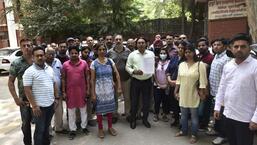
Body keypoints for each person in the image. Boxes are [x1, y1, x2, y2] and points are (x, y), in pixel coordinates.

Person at [214, 33, 257, 145]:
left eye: (243, 46)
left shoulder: (255, 66)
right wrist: (217, 107)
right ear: (231, 48)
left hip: (246, 119)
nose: (239, 49)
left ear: (249, 48)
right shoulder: (228, 66)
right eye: (236, 46)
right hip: (228, 115)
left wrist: (255, 118)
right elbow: (222, 87)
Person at [23, 46, 58, 145]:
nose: (40, 57)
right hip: (39, 108)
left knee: (46, 128)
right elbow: (27, 89)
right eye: (37, 56)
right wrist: (34, 106)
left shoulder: (49, 69)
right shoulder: (29, 71)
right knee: (40, 130)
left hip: (50, 105)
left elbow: (54, 83)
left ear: (45, 56)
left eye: (41, 55)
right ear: (33, 57)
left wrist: (56, 98)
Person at [174, 43, 208, 144]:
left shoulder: (199, 65)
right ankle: (183, 131)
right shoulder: (181, 65)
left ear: (194, 52)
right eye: (186, 52)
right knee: (183, 115)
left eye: (190, 52)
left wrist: (202, 94)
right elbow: (178, 80)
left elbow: (203, 81)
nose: (188, 54)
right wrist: (176, 91)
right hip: (183, 93)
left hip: (194, 94)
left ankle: (194, 134)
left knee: (194, 116)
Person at [90, 43, 122, 138]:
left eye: (104, 49)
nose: (102, 51)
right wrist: (93, 93)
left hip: (109, 90)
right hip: (99, 90)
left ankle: (110, 127)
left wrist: (119, 87)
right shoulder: (94, 63)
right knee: (99, 111)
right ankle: (100, 129)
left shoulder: (110, 61)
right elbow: (92, 79)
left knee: (110, 110)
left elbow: (116, 74)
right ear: (97, 51)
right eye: (100, 49)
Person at [126, 37, 155, 129]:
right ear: (136, 44)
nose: (141, 44)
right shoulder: (132, 54)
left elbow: (153, 65)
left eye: (143, 42)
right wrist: (134, 71)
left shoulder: (151, 54)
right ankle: (133, 119)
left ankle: (145, 119)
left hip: (147, 81)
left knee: (146, 102)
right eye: (139, 43)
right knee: (134, 101)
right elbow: (127, 67)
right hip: (136, 81)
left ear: (146, 44)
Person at [8, 38, 33, 145]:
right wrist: (16, 99)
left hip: (39, 97)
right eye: (24, 46)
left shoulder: (38, 60)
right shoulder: (16, 63)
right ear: (21, 48)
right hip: (24, 100)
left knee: (42, 123)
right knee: (26, 124)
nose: (26, 47)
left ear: (32, 46)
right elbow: (10, 82)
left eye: (28, 45)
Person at [62, 46, 90, 140]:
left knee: (83, 110)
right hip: (70, 92)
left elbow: (87, 77)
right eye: (72, 53)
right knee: (71, 112)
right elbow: (63, 79)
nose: (74, 55)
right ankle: (72, 130)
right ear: (69, 54)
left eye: (76, 53)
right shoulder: (65, 64)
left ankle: (84, 127)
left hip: (82, 91)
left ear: (79, 54)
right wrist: (63, 92)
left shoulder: (84, 63)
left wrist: (88, 89)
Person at [108, 34, 131, 123]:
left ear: (122, 40)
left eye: (119, 39)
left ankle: (128, 113)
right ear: (114, 41)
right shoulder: (110, 52)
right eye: (116, 39)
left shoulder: (128, 51)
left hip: (126, 78)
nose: (118, 41)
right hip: (114, 79)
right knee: (114, 98)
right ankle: (114, 114)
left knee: (127, 98)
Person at [45, 47, 68, 134]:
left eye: (53, 54)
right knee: (48, 114)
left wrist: (63, 90)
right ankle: (48, 132)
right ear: (45, 54)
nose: (51, 56)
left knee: (59, 112)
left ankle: (58, 128)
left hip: (58, 92)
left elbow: (62, 75)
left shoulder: (57, 61)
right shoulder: (42, 63)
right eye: (49, 54)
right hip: (47, 94)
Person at [166, 40, 187, 127]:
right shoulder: (174, 58)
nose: (180, 49)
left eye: (182, 48)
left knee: (181, 104)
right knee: (174, 104)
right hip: (172, 85)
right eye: (179, 48)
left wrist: (176, 82)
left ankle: (183, 122)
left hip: (181, 86)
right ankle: (176, 120)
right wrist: (169, 80)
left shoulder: (187, 60)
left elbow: (186, 75)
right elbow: (168, 70)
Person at [197, 38, 214, 130]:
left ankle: (204, 124)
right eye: (199, 46)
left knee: (205, 107)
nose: (201, 47)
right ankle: (200, 122)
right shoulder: (199, 56)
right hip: (198, 84)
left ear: (207, 46)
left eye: (203, 45)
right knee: (200, 106)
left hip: (206, 85)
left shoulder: (210, 57)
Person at [153, 48, 170, 122]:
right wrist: (158, 84)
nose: (163, 55)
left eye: (164, 53)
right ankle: (156, 114)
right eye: (161, 53)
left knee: (165, 101)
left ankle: (165, 115)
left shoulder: (169, 62)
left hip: (167, 85)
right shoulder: (156, 63)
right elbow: (154, 74)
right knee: (157, 100)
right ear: (159, 54)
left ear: (167, 54)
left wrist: (166, 84)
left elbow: (170, 74)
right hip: (157, 85)